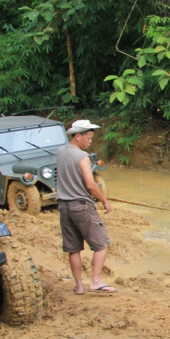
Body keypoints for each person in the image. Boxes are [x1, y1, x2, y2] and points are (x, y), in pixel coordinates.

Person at [57, 119, 115, 295]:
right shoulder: (82, 157)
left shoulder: (60, 152)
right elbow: (90, 185)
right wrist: (104, 200)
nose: (90, 142)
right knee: (102, 244)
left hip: (64, 207)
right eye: (88, 138)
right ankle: (96, 281)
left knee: (73, 248)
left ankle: (79, 285)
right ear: (77, 136)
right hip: (81, 206)